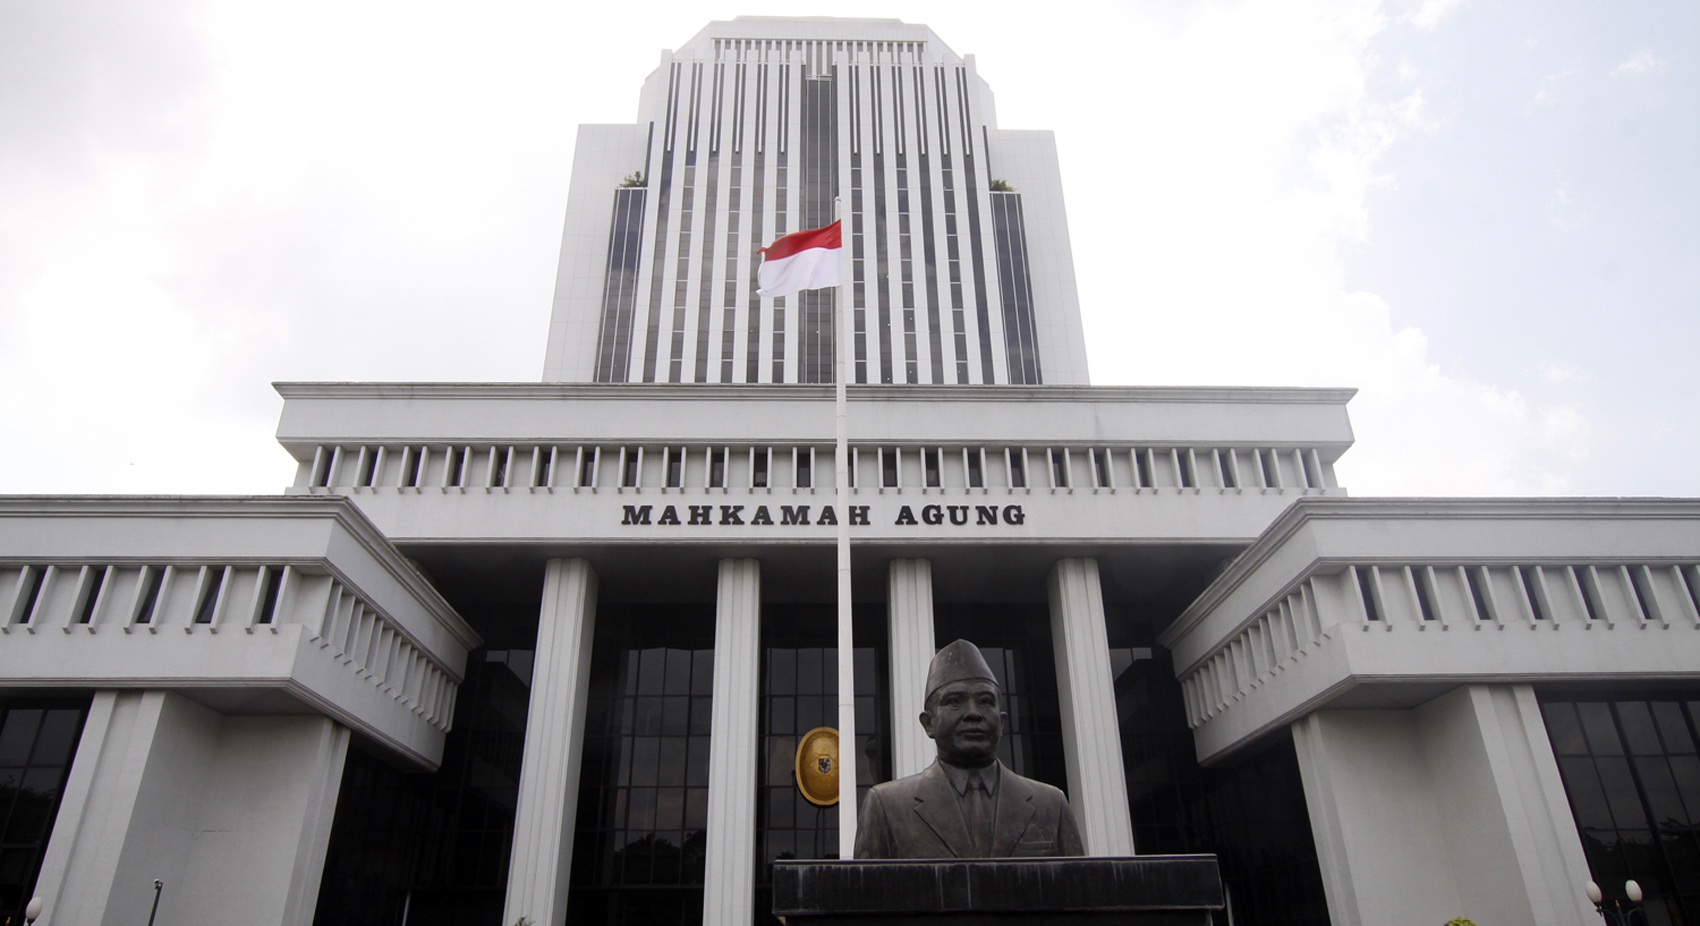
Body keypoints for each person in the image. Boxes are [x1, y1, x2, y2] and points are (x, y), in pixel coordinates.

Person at [853, 639, 1085, 859]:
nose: (973, 713)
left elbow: (1082, 895)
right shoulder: (887, 806)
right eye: (955, 701)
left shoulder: (1051, 805)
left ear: (1002, 723)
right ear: (929, 723)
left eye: (985, 701)